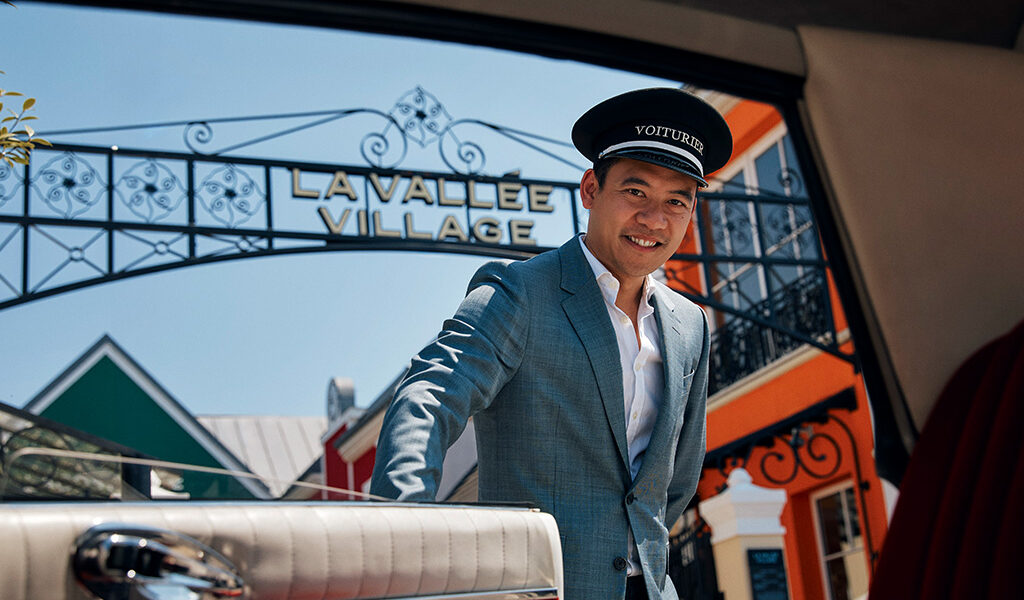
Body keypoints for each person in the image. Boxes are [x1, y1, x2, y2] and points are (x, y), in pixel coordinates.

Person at [370, 87, 733, 600]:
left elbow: (677, 478)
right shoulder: (519, 292)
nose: (655, 219)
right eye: (636, 192)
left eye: (677, 201)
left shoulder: (689, 325)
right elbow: (429, 398)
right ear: (590, 189)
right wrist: (401, 528)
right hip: (539, 589)